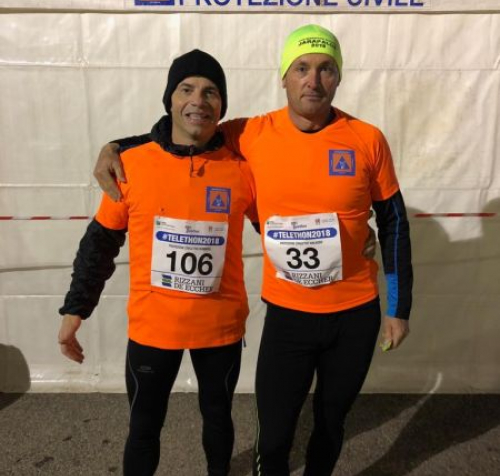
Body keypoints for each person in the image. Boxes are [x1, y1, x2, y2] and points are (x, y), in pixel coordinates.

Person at [93, 24, 412, 476]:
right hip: (289, 315)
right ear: (284, 77)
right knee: (275, 437)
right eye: (301, 68)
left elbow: (394, 221)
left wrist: (399, 307)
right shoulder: (250, 134)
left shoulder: (367, 139)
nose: (313, 80)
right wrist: (114, 147)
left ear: (338, 77)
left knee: (331, 423)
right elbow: (182, 132)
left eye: (325, 69)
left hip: (355, 312)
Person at [58, 50, 259, 476]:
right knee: (144, 427)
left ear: (222, 106)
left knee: (219, 420)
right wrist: (75, 311)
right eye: (186, 89)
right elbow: (100, 244)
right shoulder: (130, 165)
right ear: (169, 99)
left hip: (219, 328)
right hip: (153, 328)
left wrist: (355, 240)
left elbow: (280, 226)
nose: (198, 100)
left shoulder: (243, 168)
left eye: (210, 92)